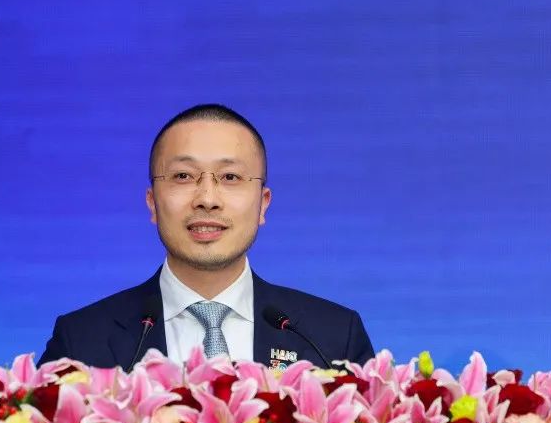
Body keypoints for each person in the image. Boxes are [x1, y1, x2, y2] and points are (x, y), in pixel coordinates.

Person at [37, 103, 375, 370]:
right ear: (153, 203)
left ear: (263, 204)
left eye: (230, 177)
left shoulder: (332, 337)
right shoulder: (81, 341)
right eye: (183, 176)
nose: (207, 199)